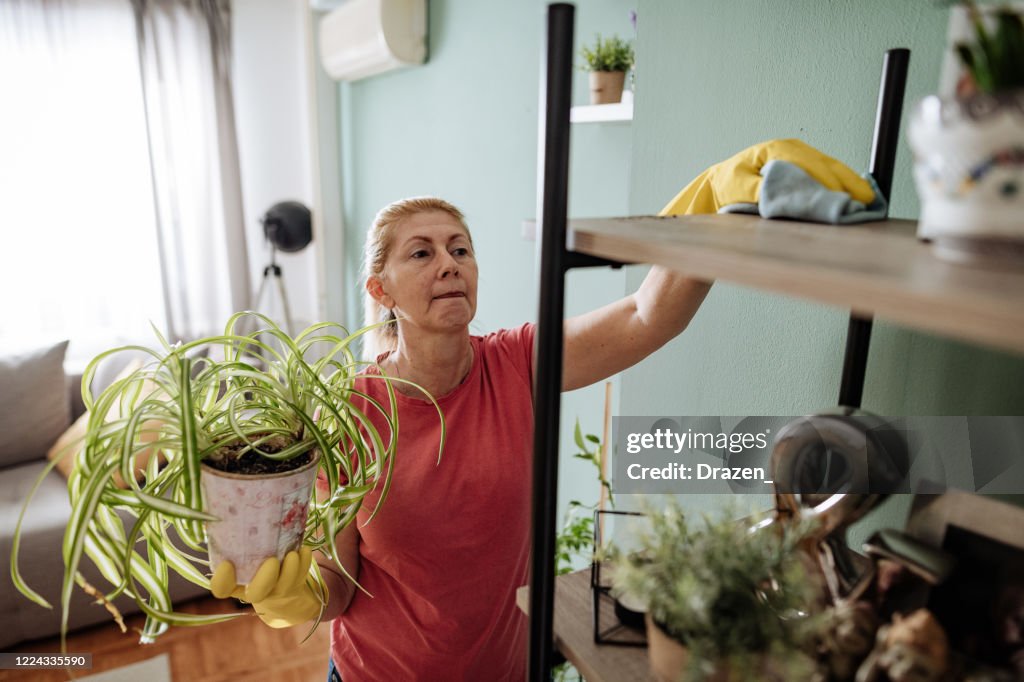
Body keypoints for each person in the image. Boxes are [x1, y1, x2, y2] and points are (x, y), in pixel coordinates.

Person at [211, 141, 877, 680]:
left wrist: (713, 204)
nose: (449, 263)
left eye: (460, 248)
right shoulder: (351, 414)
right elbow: (337, 584)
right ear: (380, 289)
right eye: (423, 252)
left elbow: (647, 317)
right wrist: (292, 595)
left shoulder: (516, 362)